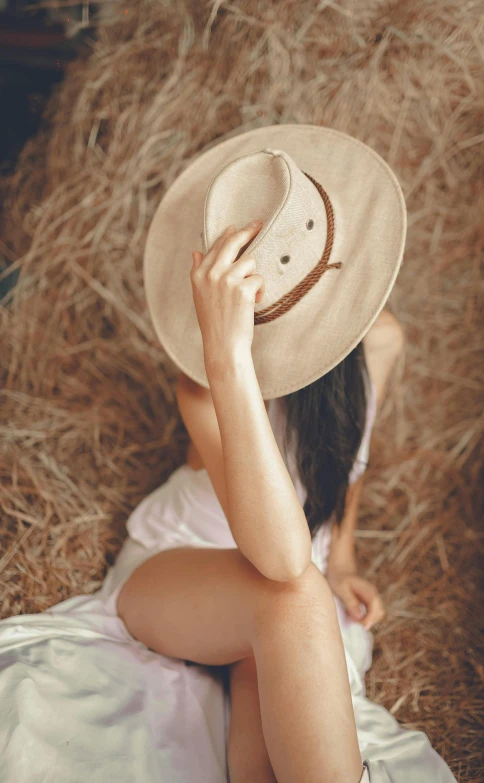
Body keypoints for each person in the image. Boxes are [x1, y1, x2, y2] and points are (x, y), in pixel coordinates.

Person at [0, 126, 458, 783]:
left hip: (278, 587)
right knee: (292, 599)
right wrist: (226, 354)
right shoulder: (207, 383)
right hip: (183, 566)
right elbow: (280, 560)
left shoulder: (380, 341)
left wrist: (346, 556)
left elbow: (345, 464)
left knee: (272, 731)